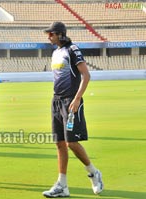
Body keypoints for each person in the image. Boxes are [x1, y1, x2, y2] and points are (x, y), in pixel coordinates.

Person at [42, 22, 104, 198]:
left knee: (71, 143)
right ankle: (62, 185)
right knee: (60, 143)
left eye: (51, 34)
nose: (49, 37)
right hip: (56, 101)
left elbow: (86, 75)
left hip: (71, 101)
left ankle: (93, 173)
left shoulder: (72, 49)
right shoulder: (55, 52)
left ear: (60, 34)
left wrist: (77, 99)